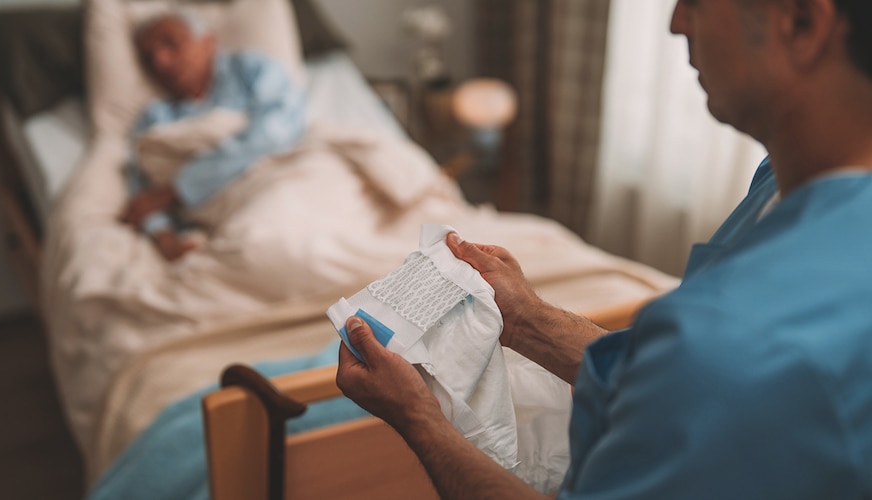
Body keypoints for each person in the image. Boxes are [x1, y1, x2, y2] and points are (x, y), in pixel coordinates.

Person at [336, 0, 872, 498]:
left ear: (802, 25)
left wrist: (419, 417)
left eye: (696, 1)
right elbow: (667, 388)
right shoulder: (779, 187)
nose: (675, 22)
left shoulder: (729, 337)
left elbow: (702, 372)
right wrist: (524, 318)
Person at [120, 11, 307, 261]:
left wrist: (177, 189)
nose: (160, 61)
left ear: (208, 42)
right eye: (148, 57)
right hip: (214, 216)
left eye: (170, 43)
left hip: (281, 180)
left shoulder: (252, 69)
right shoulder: (155, 119)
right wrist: (165, 238)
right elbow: (141, 193)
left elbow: (275, 130)